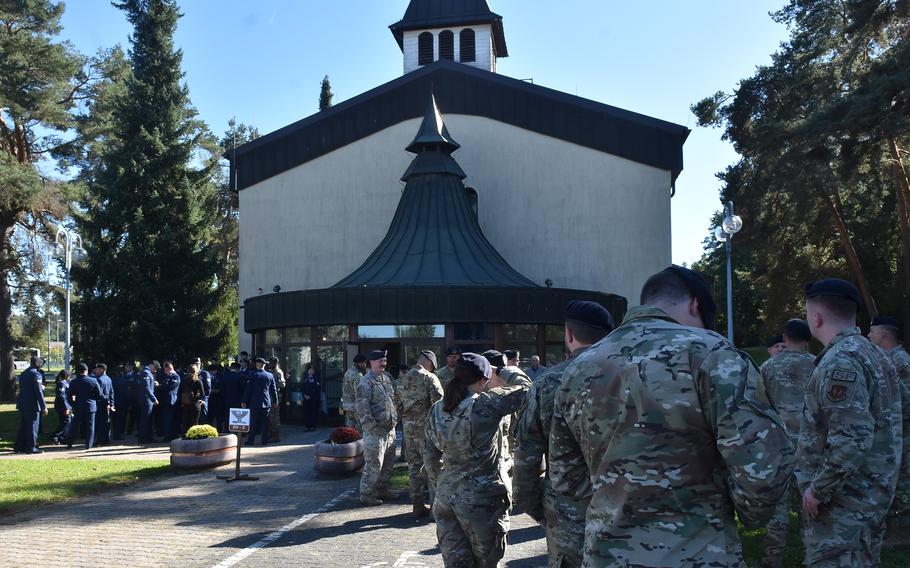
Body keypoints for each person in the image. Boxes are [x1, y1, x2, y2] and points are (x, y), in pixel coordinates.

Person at [550, 265, 795, 566]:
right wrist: (740, 513)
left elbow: (564, 479)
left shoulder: (577, 369)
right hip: (699, 554)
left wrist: (617, 500)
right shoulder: (711, 353)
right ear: (695, 305)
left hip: (607, 556)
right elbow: (764, 470)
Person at [798, 279, 904, 567]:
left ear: (816, 317)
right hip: (870, 495)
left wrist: (818, 489)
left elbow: (852, 439)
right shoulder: (876, 354)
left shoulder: (840, 362)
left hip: (845, 504)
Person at [515, 300, 614, 567]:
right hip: (627, 511)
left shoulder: (547, 384)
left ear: (569, 335)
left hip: (567, 515)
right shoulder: (634, 376)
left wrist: (539, 509)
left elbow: (526, 460)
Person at [425, 353, 530, 567]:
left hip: (446, 499)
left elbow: (429, 454)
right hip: (480, 503)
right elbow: (527, 389)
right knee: (487, 563)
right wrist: (501, 370)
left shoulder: (438, 408)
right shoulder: (484, 405)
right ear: (483, 379)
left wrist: (440, 484)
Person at [759, 318, 816, 568]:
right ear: (808, 337)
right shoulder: (819, 365)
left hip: (778, 445)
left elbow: (760, 406)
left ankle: (772, 560)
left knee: (778, 506)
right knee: (811, 503)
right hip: (810, 445)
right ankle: (814, 557)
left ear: (784, 337)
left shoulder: (769, 367)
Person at [394, 350, 443, 518]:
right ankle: (435, 509)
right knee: (433, 468)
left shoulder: (403, 379)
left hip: (408, 431)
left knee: (414, 468)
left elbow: (398, 406)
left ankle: (417, 505)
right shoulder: (429, 378)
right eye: (433, 366)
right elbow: (439, 406)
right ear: (429, 361)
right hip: (426, 431)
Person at [355, 350, 399, 506]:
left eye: (385, 360)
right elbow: (362, 408)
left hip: (389, 429)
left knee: (388, 462)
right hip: (375, 431)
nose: (383, 363)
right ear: (371, 362)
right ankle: (366, 493)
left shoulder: (386, 379)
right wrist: (372, 427)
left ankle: (381, 489)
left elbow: (392, 400)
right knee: (374, 463)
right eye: (380, 360)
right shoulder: (365, 382)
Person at [14, 356, 48, 454]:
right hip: (32, 404)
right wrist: (43, 406)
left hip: (22, 403)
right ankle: (31, 447)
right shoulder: (36, 374)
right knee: (33, 426)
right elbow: (38, 392)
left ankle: (19, 446)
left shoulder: (24, 373)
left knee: (24, 426)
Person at [241, 357, 278, 445]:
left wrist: (244, 401)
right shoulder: (270, 375)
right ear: (264, 365)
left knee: (253, 422)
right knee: (265, 423)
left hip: (255, 402)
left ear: (257, 365)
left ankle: (251, 440)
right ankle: (264, 441)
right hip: (266, 402)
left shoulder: (253, 375)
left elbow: (248, 390)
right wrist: (275, 402)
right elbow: (274, 390)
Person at [66, 362, 102, 450]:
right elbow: (99, 394)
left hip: (78, 405)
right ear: (86, 370)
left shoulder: (74, 382)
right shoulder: (93, 380)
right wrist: (94, 400)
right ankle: (88, 445)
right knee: (90, 426)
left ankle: (70, 443)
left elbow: (69, 396)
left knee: (75, 425)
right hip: (90, 406)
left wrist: (73, 404)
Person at [869, 315, 910, 384]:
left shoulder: (900, 360)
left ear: (882, 334)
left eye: (871, 331)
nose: (869, 335)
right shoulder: (888, 358)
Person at [136, 360, 160, 443]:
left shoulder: (147, 372)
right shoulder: (146, 373)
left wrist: (153, 384)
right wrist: (154, 399)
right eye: (155, 368)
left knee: (148, 420)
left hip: (147, 400)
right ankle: (143, 439)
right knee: (145, 420)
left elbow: (147, 385)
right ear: (152, 365)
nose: (156, 370)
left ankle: (148, 438)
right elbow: (146, 388)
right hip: (146, 400)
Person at [342, 354, 367, 430]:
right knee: (360, 430)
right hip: (356, 406)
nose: (364, 365)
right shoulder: (357, 375)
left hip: (347, 405)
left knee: (350, 429)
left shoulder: (348, 372)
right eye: (362, 363)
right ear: (357, 363)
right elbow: (360, 392)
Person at [179, 364, 205, 433]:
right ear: (196, 371)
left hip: (185, 404)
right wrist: (197, 397)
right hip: (195, 404)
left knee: (185, 424)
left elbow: (179, 392)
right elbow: (203, 394)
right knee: (194, 424)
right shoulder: (198, 381)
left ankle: (184, 439)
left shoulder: (184, 380)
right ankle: (193, 440)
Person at [159, 361, 181, 441]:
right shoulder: (168, 377)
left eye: (166, 370)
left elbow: (169, 386)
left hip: (171, 402)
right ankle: (167, 436)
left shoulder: (176, 377)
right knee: (167, 419)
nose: (165, 372)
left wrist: (160, 386)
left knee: (169, 420)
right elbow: (164, 385)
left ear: (170, 369)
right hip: (166, 401)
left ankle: (169, 437)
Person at [93, 363, 115, 446]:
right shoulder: (109, 379)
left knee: (99, 423)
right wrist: (111, 403)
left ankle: (99, 440)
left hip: (100, 403)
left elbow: (99, 393)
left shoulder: (99, 380)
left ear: (101, 370)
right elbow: (111, 392)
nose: (96, 370)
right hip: (107, 404)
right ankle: (106, 439)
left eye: (97, 369)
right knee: (106, 422)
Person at [111, 365, 132, 441]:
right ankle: (118, 434)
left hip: (114, 402)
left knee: (113, 420)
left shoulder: (111, 381)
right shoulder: (124, 381)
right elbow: (127, 393)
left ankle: (114, 434)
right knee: (120, 420)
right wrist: (129, 403)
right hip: (122, 403)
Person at [267, 356, 286, 440]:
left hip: (275, 397)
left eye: (271, 363)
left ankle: (275, 435)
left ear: (275, 363)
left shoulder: (278, 372)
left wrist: (276, 382)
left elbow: (283, 385)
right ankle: (271, 433)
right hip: (269, 396)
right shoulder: (270, 371)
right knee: (270, 417)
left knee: (274, 417)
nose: (269, 364)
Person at [51, 370, 72, 444]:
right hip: (62, 406)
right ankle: (55, 435)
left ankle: (61, 437)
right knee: (67, 421)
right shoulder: (62, 383)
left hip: (63, 405)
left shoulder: (64, 383)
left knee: (63, 421)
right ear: (67, 376)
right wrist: (66, 408)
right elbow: (62, 397)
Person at [301, 364, 321, 431]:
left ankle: (313, 426)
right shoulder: (305, 378)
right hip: (306, 398)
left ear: (314, 371)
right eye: (309, 370)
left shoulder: (316, 378)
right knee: (307, 412)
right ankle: (307, 426)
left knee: (313, 412)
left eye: (311, 370)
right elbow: (302, 387)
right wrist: (304, 395)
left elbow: (316, 389)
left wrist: (310, 396)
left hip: (313, 398)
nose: (310, 371)